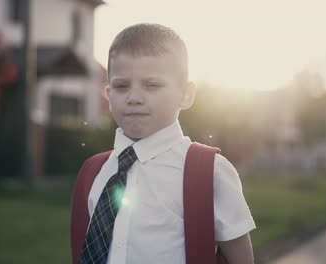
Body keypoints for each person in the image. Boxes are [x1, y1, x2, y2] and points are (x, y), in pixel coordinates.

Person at [71, 23, 256, 264]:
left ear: (185, 95)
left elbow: (240, 257)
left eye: (152, 85)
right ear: (108, 95)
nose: (134, 98)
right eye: (121, 86)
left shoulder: (209, 172)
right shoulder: (93, 173)